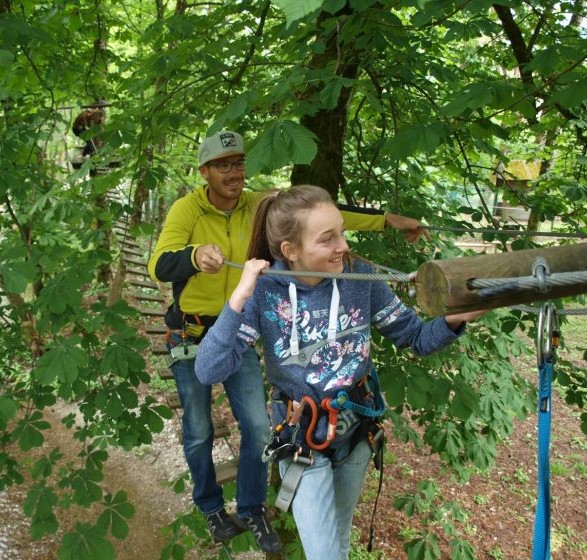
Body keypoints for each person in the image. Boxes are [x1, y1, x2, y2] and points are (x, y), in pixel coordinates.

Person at [147, 131, 429, 553]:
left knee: (259, 426)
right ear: (204, 172)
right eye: (223, 165)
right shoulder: (187, 209)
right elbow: (159, 264)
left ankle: (251, 506)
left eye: (239, 162)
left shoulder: (260, 204)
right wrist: (193, 255)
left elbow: (325, 220)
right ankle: (210, 506)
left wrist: (388, 219)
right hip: (193, 329)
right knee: (200, 430)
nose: (234, 172)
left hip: (241, 324)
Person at [193, 185, 486, 560]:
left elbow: (415, 336)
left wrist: (456, 319)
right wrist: (238, 298)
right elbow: (208, 369)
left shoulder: (360, 279)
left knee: (339, 544)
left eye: (342, 232)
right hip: (301, 442)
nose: (343, 245)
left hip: (356, 432)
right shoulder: (265, 294)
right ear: (290, 251)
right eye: (328, 239)